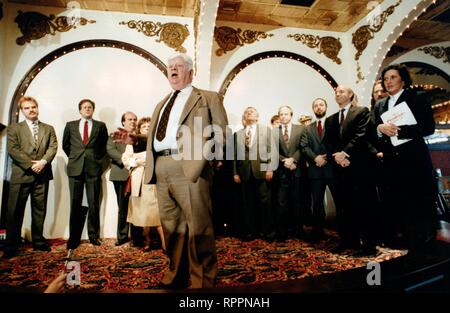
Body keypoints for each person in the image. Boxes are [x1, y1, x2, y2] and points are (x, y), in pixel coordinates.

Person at [115, 54, 228, 288]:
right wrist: (134, 137)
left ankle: (203, 280)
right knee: (172, 227)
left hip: (190, 166)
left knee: (199, 226)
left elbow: (221, 133)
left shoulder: (207, 98)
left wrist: (204, 159)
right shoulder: (162, 102)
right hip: (161, 167)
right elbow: (163, 137)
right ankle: (176, 275)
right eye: (170, 67)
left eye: (178, 67)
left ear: (190, 71)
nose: (172, 70)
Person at [372, 63, 437, 254]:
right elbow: (373, 130)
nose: (388, 81)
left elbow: (428, 128)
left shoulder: (417, 97)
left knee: (419, 204)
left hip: (414, 160)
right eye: (385, 78)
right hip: (391, 162)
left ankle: (425, 246)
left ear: (402, 79)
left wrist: (400, 130)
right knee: (397, 204)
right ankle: (405, 243)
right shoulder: (380, 104)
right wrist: (379, 129)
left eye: (393, 77)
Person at [324, 85, 378, 255]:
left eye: (341, 91)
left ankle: (369, 246)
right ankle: (349, 241)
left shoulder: (362, 111)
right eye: (336, 92)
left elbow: (361, 135)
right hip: (340, 169)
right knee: (345, 207)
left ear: (350, 95)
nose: (338, 94)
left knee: (364, 206)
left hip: (360, 167)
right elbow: (329, 142)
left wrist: (346, 154)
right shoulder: (331, 119)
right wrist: (338, 157)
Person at [2, 96, 58, 259]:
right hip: (21, 175)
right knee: (14, 212)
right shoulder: (14, 129)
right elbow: (13, 149)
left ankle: (39, 242)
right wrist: (30, 164)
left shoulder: (48, 128)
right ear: (22, 111)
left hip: (42, 175)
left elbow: (53, 147)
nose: (31, 110)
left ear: (37, 108)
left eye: (33, 107)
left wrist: (42, 162)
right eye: (27, 108)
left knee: (39, 210)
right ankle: (11, 245)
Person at [63, 99, 108, 250]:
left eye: (90, 107)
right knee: (74, 204)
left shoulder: (101, 126)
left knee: (93, 203)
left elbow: (103, 147)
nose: (87, 109)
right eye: (85, 107)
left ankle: (93, 236)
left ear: (93, 110)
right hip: (75, 169)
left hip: (93, 169)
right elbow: (66, 145)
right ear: (80, 110)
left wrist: (95, 161)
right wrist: (76, 157)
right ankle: (73, 238)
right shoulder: (70, 125)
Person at [122, 117, 166, 252]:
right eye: (144, 126)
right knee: (143, 212)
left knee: (158, 211)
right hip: (139, 180)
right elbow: (126, 159)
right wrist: (139, 161)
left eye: (149, 126)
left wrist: (144, 158)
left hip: (155, 179)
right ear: (139, 129)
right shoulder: (133, 142)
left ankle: (165, 242)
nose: (147, 128)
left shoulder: (157, 141)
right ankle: (147, 240)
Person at [233, 107, 275, 241]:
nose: (249, 112)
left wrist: (270, 169)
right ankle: (250, 232)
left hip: (262, 172)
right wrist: (235, 173)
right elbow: (234, 156)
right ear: (244, 117)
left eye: (252, 111)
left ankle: (268, 233)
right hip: (244, 173)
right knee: (247, 204)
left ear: (257, 117)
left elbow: (272, 151)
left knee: (265, 204)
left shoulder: (266, 130)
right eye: (246, 111)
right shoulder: (238, 134)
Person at [301, 98, 337, 241]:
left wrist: (326, 157)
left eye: (321, 105)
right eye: (315, 105)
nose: (318, 107)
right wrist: (316, 158)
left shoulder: (333, 124)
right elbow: (304, 146)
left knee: (339, 200)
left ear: (326, 107)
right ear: (313, 109)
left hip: (332, 169)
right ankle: (318, 231)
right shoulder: (307, 128)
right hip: (315, 171)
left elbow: (337, 143)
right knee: (316, 203)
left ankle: (345, 232)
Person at [106, 111, 140, 246]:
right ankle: (122, 236)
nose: (133, 121)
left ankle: (137, 237)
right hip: (120, 174)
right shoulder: (115, 136)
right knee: (123, 206)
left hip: (138, 175)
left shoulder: (140, 137)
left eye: (135, 119)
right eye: (130, 119)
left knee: (137, 206)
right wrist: (126, 161)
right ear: (123, 122)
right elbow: (110, 150)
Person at [274, 106, 306, 240]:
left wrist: (293, 159)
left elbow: (303, 146)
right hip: (282, 171)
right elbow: (273, 150)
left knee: (297, 201)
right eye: (281, 114)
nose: (283, 116)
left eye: (286, 114)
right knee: (282, 202)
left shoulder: (301, 128)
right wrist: (285, 161)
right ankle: (282, 232)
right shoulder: (274, 131)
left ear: (291, 115)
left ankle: (297, 230)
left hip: (297, 170)